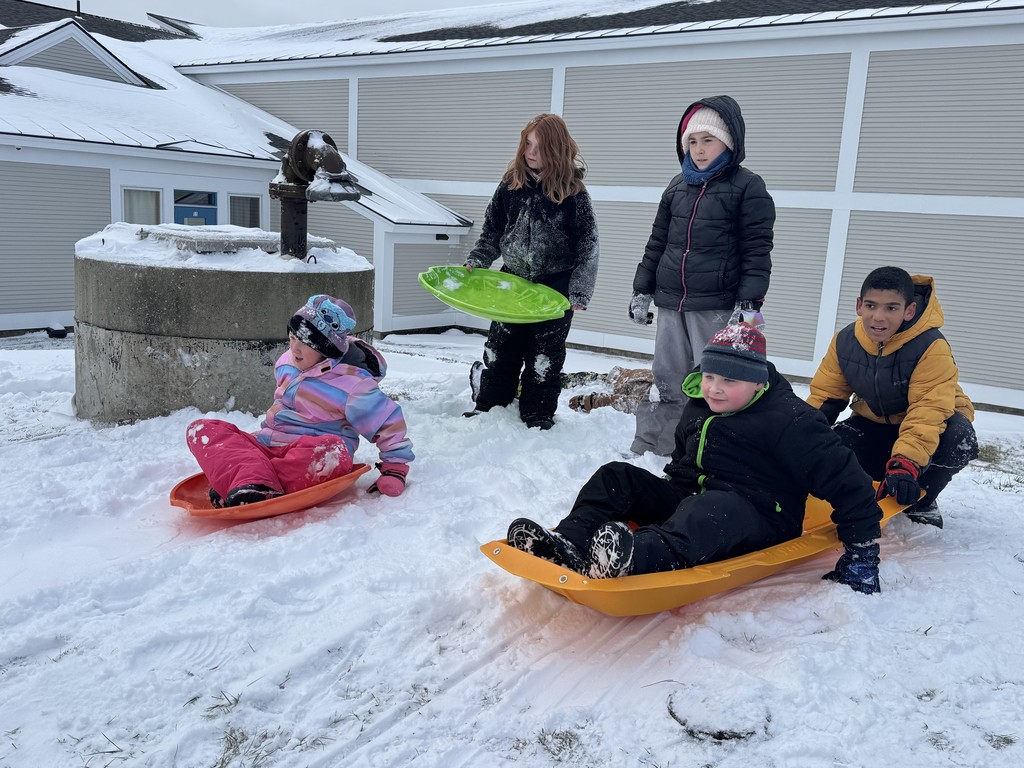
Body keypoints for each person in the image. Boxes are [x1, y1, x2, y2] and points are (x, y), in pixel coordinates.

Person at [506, 324, 885, 594]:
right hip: (693, 496)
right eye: (710, 376)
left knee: (709, 510)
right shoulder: (701, 404)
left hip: (758, 514)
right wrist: (655, 497)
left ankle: (633, 558)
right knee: (616, 476)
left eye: (729, 382)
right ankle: (568, 543)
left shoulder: (792, 421)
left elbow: (845, 479)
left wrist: (863, 551)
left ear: (758, 382)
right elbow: (683, 465)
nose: (715, 389)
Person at [629, 95, 775, 456]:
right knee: (667, 380)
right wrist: (641, 290)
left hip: (717, 306)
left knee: (717, 383)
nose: (698, 149)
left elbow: (757, 252)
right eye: (692, 141)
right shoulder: (677, 187)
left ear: (729, 142)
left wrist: (750, 308)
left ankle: (711, 452)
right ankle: (654, 447)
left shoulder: (747, 187)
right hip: (670, 302)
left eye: (707, 140)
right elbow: (656, 243)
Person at [186, 294, 414, 506]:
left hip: (310, 453)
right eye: (292, 338)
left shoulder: (352, 383)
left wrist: (395, 468)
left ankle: (248, 479)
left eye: (305, 343)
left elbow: (386, 422)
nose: (295, 348)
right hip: (269, 445)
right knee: (202, 430)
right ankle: (249, 480)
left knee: (334, 453)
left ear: (326, 348)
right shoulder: (287, 363)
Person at [807, 267, 978, 528]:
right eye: (871, 305)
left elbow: (928, 412)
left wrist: (906, 464)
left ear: (909, 310)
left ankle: (924, 498)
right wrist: (798, 441)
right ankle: (875, 484)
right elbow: (825, 398)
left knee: (959, 439)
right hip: (875, 420)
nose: (878, 317)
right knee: (835, 448)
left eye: (891, 308)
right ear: (859, 305)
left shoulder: (931, 346)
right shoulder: (845, 341)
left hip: (936, 423)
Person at [463, 113, 600, 430]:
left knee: (545, 354)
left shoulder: (573, 194)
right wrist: (478, 259)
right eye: (528, 143)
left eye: (540, 146)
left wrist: (578, 291)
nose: (531, 152)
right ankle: (490, 403)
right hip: (511, 281)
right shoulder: (510, 185)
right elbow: (493, 232)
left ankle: (537, 412)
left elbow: (588, 246)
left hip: (555, 288)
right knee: (501, 347)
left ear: (557, 149)